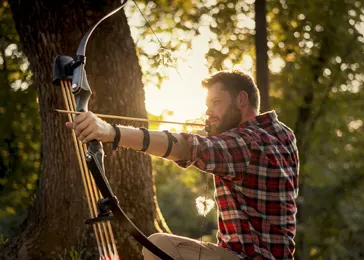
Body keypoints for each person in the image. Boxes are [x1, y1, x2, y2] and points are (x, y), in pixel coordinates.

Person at [66, 70, 299, 260]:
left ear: (241, 99)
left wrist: (109, 132)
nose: (208, 112)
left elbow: (187, 147)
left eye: (216, 102)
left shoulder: (247, 144)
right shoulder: (281, 134)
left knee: (159, 245)